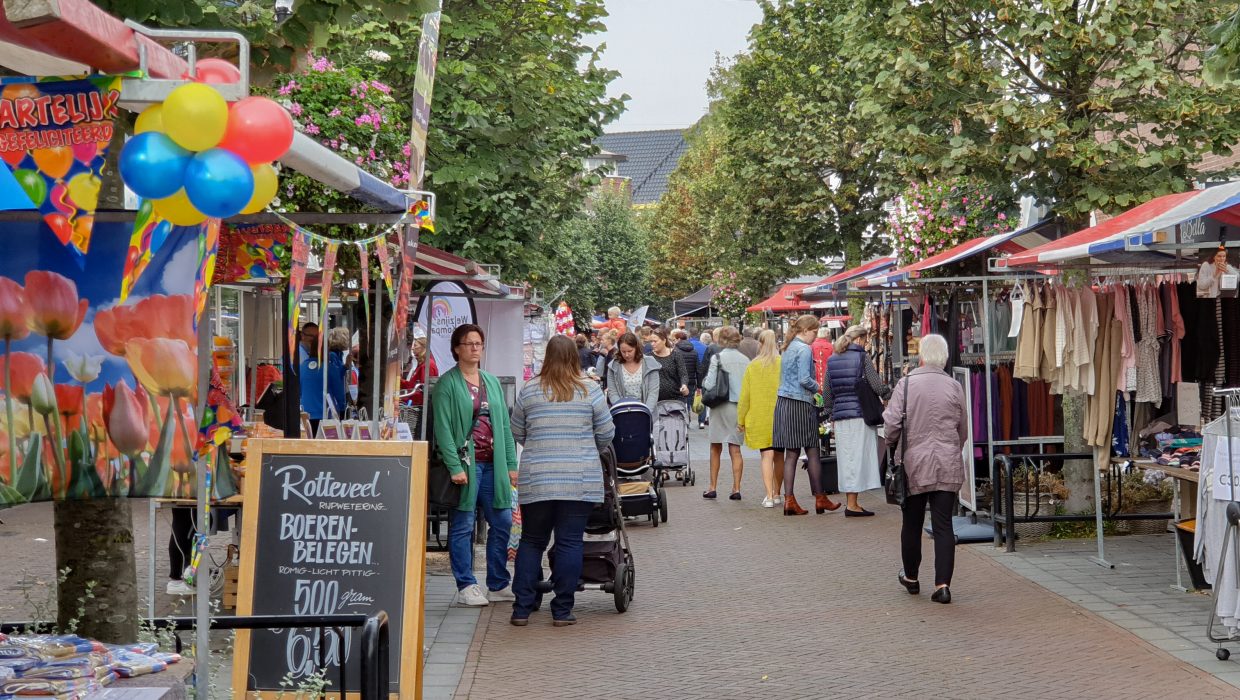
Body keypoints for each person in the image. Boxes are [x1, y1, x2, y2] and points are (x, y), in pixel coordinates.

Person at [510, 335, 616, 627]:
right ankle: (562, 610)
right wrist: (587, 448)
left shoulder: (530, 390)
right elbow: (607, 432)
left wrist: (539, 444)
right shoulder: (589, 390)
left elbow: (516, 430)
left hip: (537, 477)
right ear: (574, 357)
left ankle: (521, 608)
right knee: (570, 542)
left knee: (531, 541)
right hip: (578, 478)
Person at [432, 324, 520, 607]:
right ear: (457, 348)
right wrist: (454, 466)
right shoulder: (447, 384)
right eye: (468, 343)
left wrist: (510, 462)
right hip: (466, 466)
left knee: (503, 521)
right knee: (463, 525)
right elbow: (443, 430)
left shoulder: (491, 382)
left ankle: (496, 583)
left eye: (478, 343)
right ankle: (466, 585)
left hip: (493, 465)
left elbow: (504, 426)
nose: (474, 348)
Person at [883, 334, 967, 604]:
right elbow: (962, 429)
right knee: (944, 524)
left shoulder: (905, 385)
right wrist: (952, 446)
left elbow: (892, 425)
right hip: (947, 461)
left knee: (912, 523)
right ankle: (942, 585)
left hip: (914, 462)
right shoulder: (954, 386)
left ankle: (911, 576)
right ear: (944, 357)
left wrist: (892, 445)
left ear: (920, 356)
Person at [772, 314, 839, 516]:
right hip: (800, 403)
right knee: (812, 451)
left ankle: (789, 500)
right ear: (805, 330)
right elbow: (804, 379)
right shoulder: (803, 349)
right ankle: (820, 497)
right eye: (814, 332)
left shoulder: (788, 347)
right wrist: (818, 387)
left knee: (791, 454)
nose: (815, 336)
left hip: (784, 402)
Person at [824, 324, 891, 517]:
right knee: (858, 458)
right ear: (860, 339)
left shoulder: (832, 359)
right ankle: (852, 505)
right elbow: (876, 385)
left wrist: (830, 411)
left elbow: (827, 391)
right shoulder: (862, 357)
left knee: (847, 459)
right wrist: (889, 393)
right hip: (860, 414)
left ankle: (851, 501)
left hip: (841, 416)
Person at [701, 326, 750, 500]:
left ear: (721, 339)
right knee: (735, 449)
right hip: (738, 407)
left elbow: (709, 384)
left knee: (715, 447)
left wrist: (704, 381)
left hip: (720, 405)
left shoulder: (717, 358)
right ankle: (736, 488)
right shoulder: (746, 360)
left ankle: (712, 487)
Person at [738, 329, 784, 507]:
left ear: (760, 344)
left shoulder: (753, 366)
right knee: (779, 456)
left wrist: (741, 420)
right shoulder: (782, 363)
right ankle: (778, 492)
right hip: (780, 415)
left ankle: (769, 496)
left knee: (766, 456)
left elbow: (745, 396)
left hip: (759, 417)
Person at [605, 332, 661, 411]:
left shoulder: (650, 363)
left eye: (630, 351)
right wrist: (622, 409)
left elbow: (653, 392)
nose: (627, 355)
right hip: (622, 412)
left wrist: (646, 412)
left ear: (636, 348)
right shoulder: (613, 366)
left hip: (647, 412)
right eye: (623, 352)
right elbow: (612, 392)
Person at [649, 326, 690, 402]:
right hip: (655, 401)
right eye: (651, 341)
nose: (652, 344)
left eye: (655, 341)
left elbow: (683, 374)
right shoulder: (649, 357)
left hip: (675, 400)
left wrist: (684, 385)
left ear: (664, 340)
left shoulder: (675, 354)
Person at [296, 322, 323, 436]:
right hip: (306, 410)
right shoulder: (299, 356)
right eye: (312, 337)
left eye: (316, 337)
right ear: (303, 336)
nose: (314, 340)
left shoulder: (306, 354)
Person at [402, 335, 438, 407]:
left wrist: (405, 399)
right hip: (416, 402)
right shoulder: (423, 364)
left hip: (419, 405)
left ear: (423, 347)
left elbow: (422, 390)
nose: (412, 348)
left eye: (415, 345)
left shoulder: (427, 365)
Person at [325, 326, 350, 417]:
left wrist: (345, 366)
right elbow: (336, 380)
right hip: (336, 401)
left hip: (337, 400)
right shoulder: (333, 356)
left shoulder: (337, 355)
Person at [673, 329, 700, 411]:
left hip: (678, 381)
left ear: (678, 339)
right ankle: (688, 417)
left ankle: (683, 418)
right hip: (691, 381)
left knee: (680, 402)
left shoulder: (675, 351)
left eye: (674, 340)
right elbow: (698, 369)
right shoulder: (694, 351)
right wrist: (699, 385)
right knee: (689, 399)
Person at [697, 330, 719, 429]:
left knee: (705, 398)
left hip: (710, 376)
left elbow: (705, 364)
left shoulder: (710, 348)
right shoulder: (728, 348)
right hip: (722, 379)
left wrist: (701, 380)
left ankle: (702, 420)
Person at [811, 326, 834, 390]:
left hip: (814, 376)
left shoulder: (812, 345)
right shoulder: (830, 346)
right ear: (827, 335)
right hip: (827, 375)